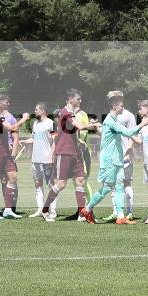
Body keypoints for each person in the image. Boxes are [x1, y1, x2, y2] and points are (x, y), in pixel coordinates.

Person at [80, 92, 148, 224]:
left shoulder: (114, 120)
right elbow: (128, 132)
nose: (122, 107)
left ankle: (120, 217)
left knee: (119, 186)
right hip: (110, 160)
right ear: (114, 106)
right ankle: (87, 209)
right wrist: (142, 124)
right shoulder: (110, 121)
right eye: (120, 105)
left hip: (117, 159)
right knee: (107, 188)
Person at [41, 89, 100, 222]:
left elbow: (71, 131)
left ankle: (81, 214)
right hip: (64, 152)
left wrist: (78, 141)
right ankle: (45, 209)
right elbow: (78, 126)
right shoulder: (65, 112)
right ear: (70, 98)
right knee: (61, 184)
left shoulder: (72, 113)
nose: (80, 101)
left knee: (80, 181)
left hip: (75, 153)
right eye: (78, 98)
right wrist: (93, 124)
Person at [0, 94, 30, 219]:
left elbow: (4, 133)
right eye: (6, 101)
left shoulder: (1, 117)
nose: (8, 103)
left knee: (13, 177)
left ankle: (8, 210)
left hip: (6, 154)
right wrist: (24, 119)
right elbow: (11, 128)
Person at [101, 92, 137, 222]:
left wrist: (128, 152)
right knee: (113, 185)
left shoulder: (129, 115)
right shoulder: (110, 116)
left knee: (126, 183)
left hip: (124, 155)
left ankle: (129, 212)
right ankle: (116, 212)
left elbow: (133, 135)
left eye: (113, 98)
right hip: (113, 156)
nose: (111, 100)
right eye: (110, 98)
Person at [24, 103, 57, 218]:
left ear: (43, 111)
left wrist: (50, 156)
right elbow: (33, 139)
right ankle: (40, 209)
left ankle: (52, 210)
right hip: (35, 159)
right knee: (38, 184)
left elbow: (55, 141)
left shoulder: (51, 123)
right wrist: (22, 142)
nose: (35, 111)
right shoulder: (36, 124)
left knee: (50, 184)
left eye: (36, 109)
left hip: (47, 159)